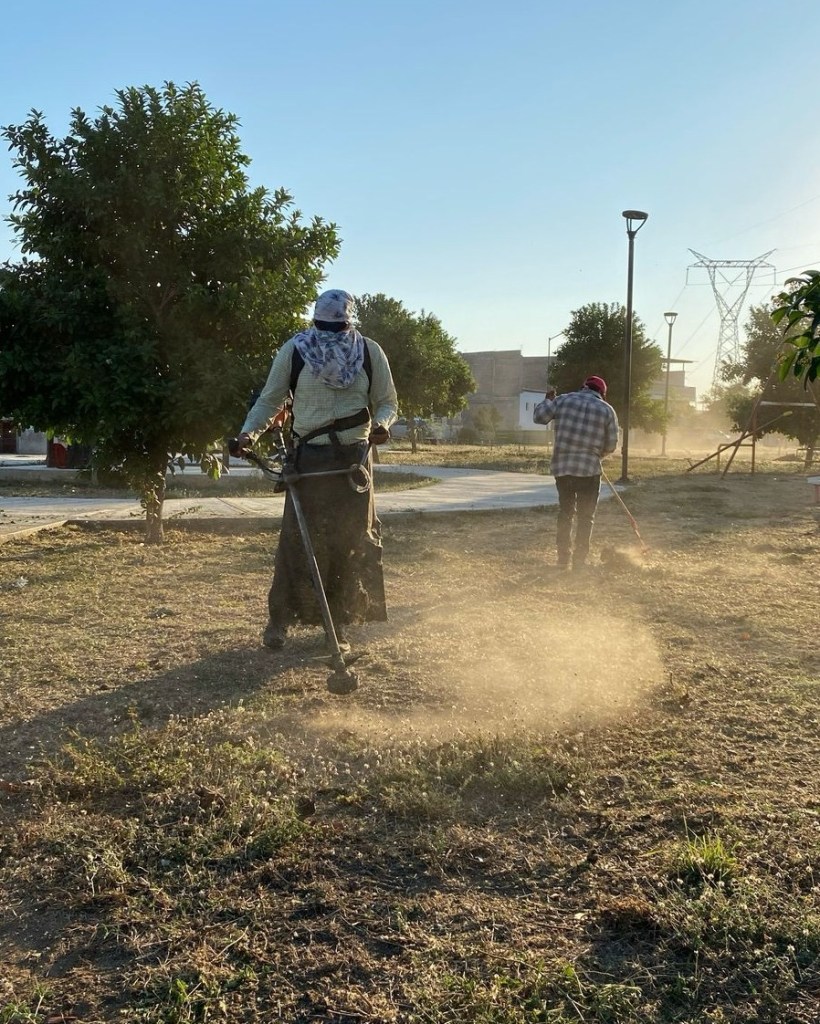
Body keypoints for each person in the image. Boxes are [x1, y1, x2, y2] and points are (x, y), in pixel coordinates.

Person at [235, 289, 398, 649]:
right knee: (296, 541)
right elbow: (270, 399)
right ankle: (279, 620)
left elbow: (387, 402)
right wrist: (248, 434)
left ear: (348, 322)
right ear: (314, 321)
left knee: (350, 543)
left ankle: (337, 627)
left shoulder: (369, 352)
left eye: (335, 328)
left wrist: (382, 425)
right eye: (323, 327)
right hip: (308, 459)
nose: (329, 335)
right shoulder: (295, 350)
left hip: (354, 463)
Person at [533, 375, 619, 571]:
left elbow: (539, 418)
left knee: (566, 513)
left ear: (584, 387)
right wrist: (598, 455)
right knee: (586, 517)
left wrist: (547, 400)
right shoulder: (607, 410)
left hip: (563, 469)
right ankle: (579, 562)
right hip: (590, 471)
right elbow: (612, 445)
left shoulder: (563, 400)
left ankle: (563, 559)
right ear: (602, 393)